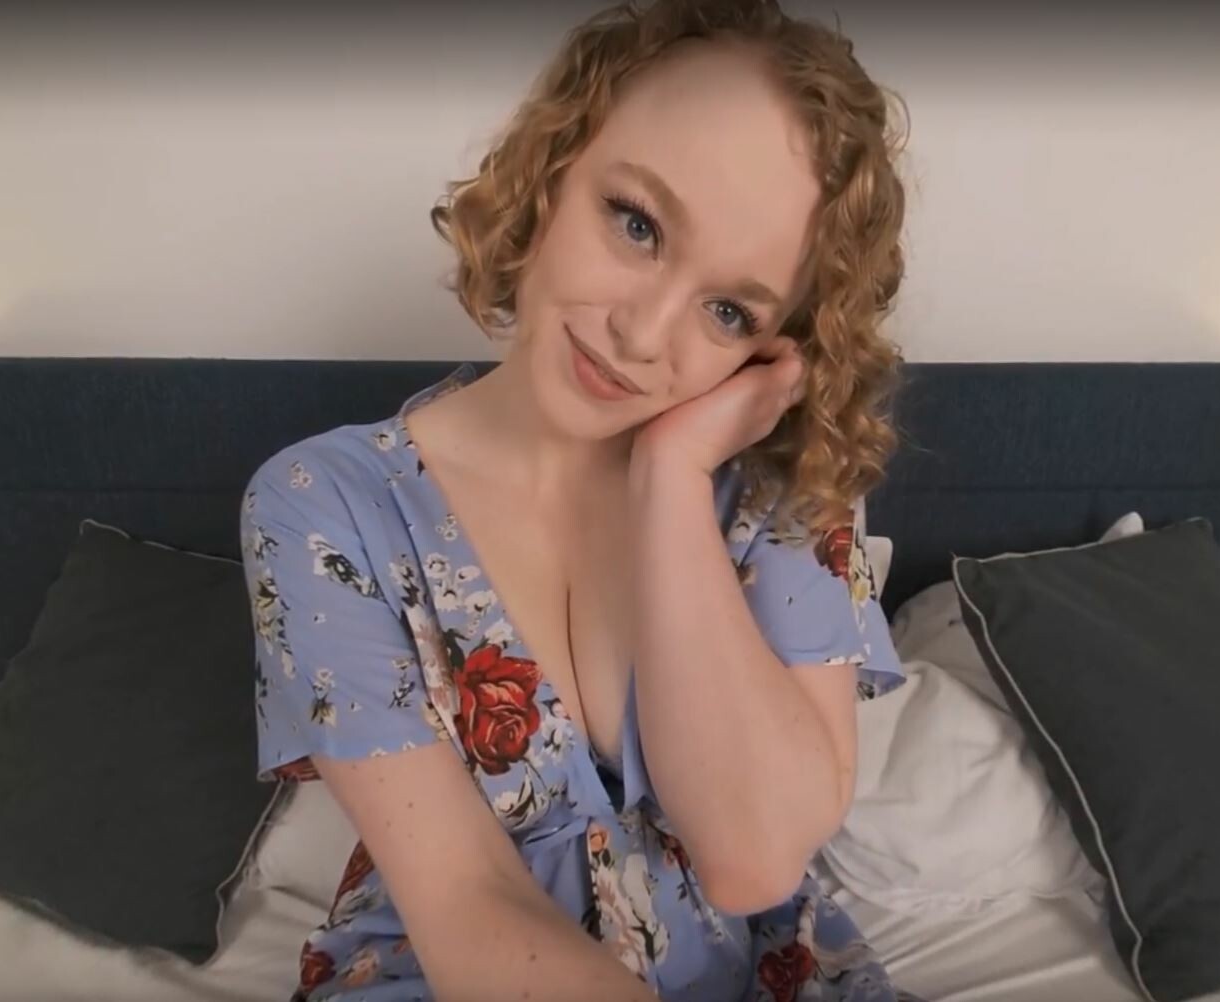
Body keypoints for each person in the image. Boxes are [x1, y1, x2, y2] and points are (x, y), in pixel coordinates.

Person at [240, 1, 912, 998]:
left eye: (729, 311)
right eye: (637, 223)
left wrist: (672, 479)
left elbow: (754, 861)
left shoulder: (785, 494)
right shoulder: (322, 508)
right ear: (552, 166)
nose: (642, 333)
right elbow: (466, 904)